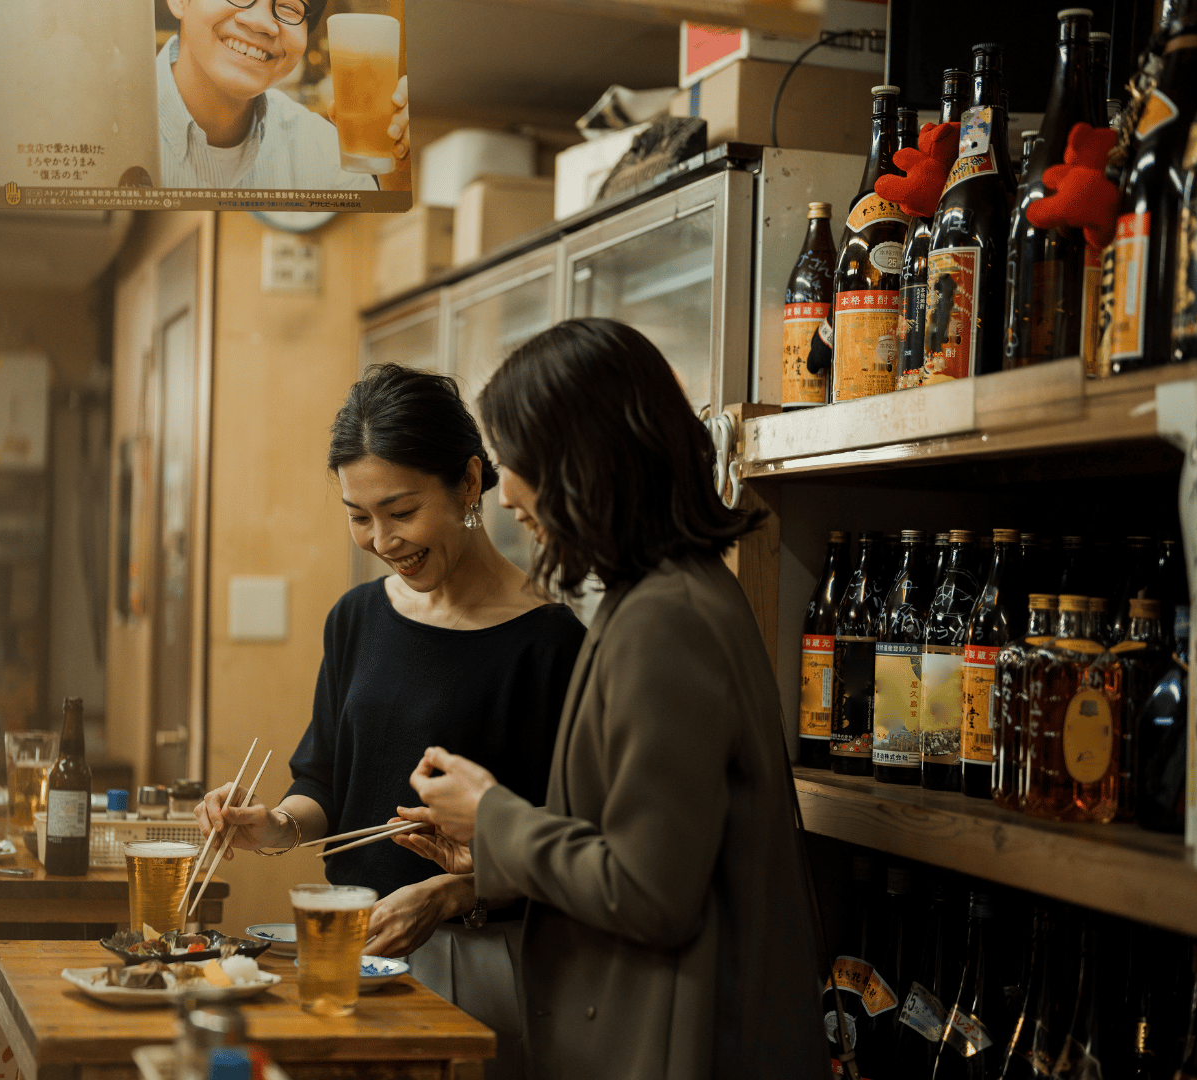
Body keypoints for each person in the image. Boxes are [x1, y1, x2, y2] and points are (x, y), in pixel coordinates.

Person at [395, 319, 828, 1079]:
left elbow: (649, 892)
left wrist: (495, 815)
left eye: (511, 461)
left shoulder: (666, 619)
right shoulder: (674, 592)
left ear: (579, 460)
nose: (503, 493)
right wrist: (489, 849)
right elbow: (634, 837)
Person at [196, 364, 585, 1080]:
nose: (380, 540)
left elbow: (572, 846)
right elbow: (325, 782)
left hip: (481, 961)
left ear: (469, 483)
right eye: (357, 515)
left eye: (400, 511)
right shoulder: (357, 617)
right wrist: (275, 825)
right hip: (346, 951)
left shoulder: (550, 642)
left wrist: (451, 894)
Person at [158, 0, 409, 190]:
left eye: (290, 5)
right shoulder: (120, 128)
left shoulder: (324, 156)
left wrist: (400, 168)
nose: (261, 23)